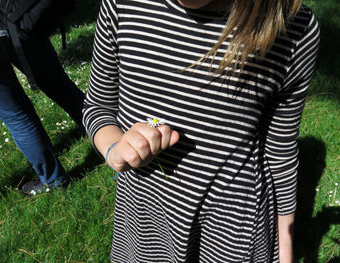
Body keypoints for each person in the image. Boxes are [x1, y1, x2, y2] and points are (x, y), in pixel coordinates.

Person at [83, 0, 320, 262]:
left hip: (233, 232)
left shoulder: (292, 26)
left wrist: (284, 251)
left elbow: (280, 150)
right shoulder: (122, 5)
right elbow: (98, 106)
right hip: (146, 224)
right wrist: (114, 148)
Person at [0, 15, 85, 194]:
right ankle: (112, 142)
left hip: (9, 28)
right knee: (63, 88)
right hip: (17, 19)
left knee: (17, 118)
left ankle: (54, 181)